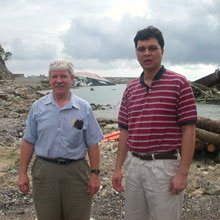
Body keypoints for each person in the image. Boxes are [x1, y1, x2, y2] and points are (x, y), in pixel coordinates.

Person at [112, 26, 197, 220]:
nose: (146, 53)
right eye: (141, 49)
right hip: (134, 165)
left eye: (152, 48)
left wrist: (182, 174)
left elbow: (189, 131)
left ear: (162, 51)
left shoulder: (179, 84)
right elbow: (124, 132)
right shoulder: (131, 88)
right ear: (136, 53)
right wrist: (118, 168)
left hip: (165, 166)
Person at [18, 59, 104, 220]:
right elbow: (28, 141)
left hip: (76, 172)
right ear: (49, 79)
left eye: (63, 76)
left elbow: (93, 143)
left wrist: (95, 174)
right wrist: (22, 173)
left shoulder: (83, 108)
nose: (59, 81)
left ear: (72, 79)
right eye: (54, 77)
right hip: (44, 172)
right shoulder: (38, 107)